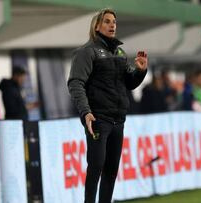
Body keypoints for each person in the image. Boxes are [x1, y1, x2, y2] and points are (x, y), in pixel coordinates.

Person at [67, 9, 148, 203]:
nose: (112, 25)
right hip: (98, 120)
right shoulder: (87, 52)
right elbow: (75, 83)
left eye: (114, 22)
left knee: (111, 171)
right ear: (97, 26)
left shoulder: (119, 52)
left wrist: (140, 71)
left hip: (118, 120)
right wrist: (86, 112)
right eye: (107, 21)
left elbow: (128, 82)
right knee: (95, 168)